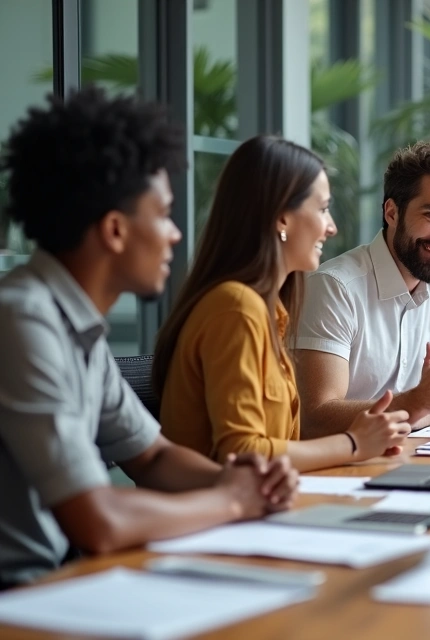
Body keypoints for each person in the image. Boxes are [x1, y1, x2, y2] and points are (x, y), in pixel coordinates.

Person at [0, 88, 297, 589]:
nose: (174, 234)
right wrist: (231, 501)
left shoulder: (79, 330)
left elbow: (154, 457)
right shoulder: (23, 323)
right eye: (162, 214)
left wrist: (245, 481)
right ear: (115, 230)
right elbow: (98, 521)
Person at [154, 136, 411, 471]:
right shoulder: (236, 308)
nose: (331, 227)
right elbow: (243, 452)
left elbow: (279, 446)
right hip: (215, 518)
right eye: (322, 209)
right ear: (282, 219)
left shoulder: (268, 310)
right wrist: (354, 443)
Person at [293, 141, 430, 437]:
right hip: (334, 469)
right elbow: (316, 417)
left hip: (401, 454)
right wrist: (415, 404)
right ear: (392, 213)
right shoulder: (335, 287)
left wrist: (416, 414)